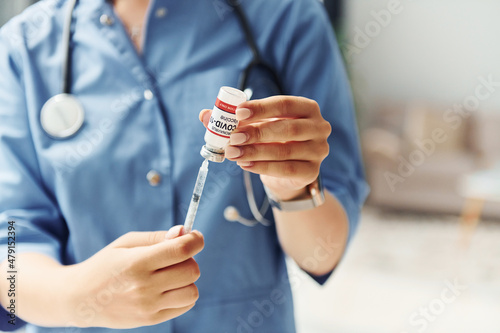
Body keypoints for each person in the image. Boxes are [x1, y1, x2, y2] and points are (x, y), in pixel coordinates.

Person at [0, 0, 368, 331]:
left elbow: (322, 253)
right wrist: (78, 297)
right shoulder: (24, 46)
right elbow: (10, 246)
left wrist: (291, 187)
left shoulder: (284, 15)